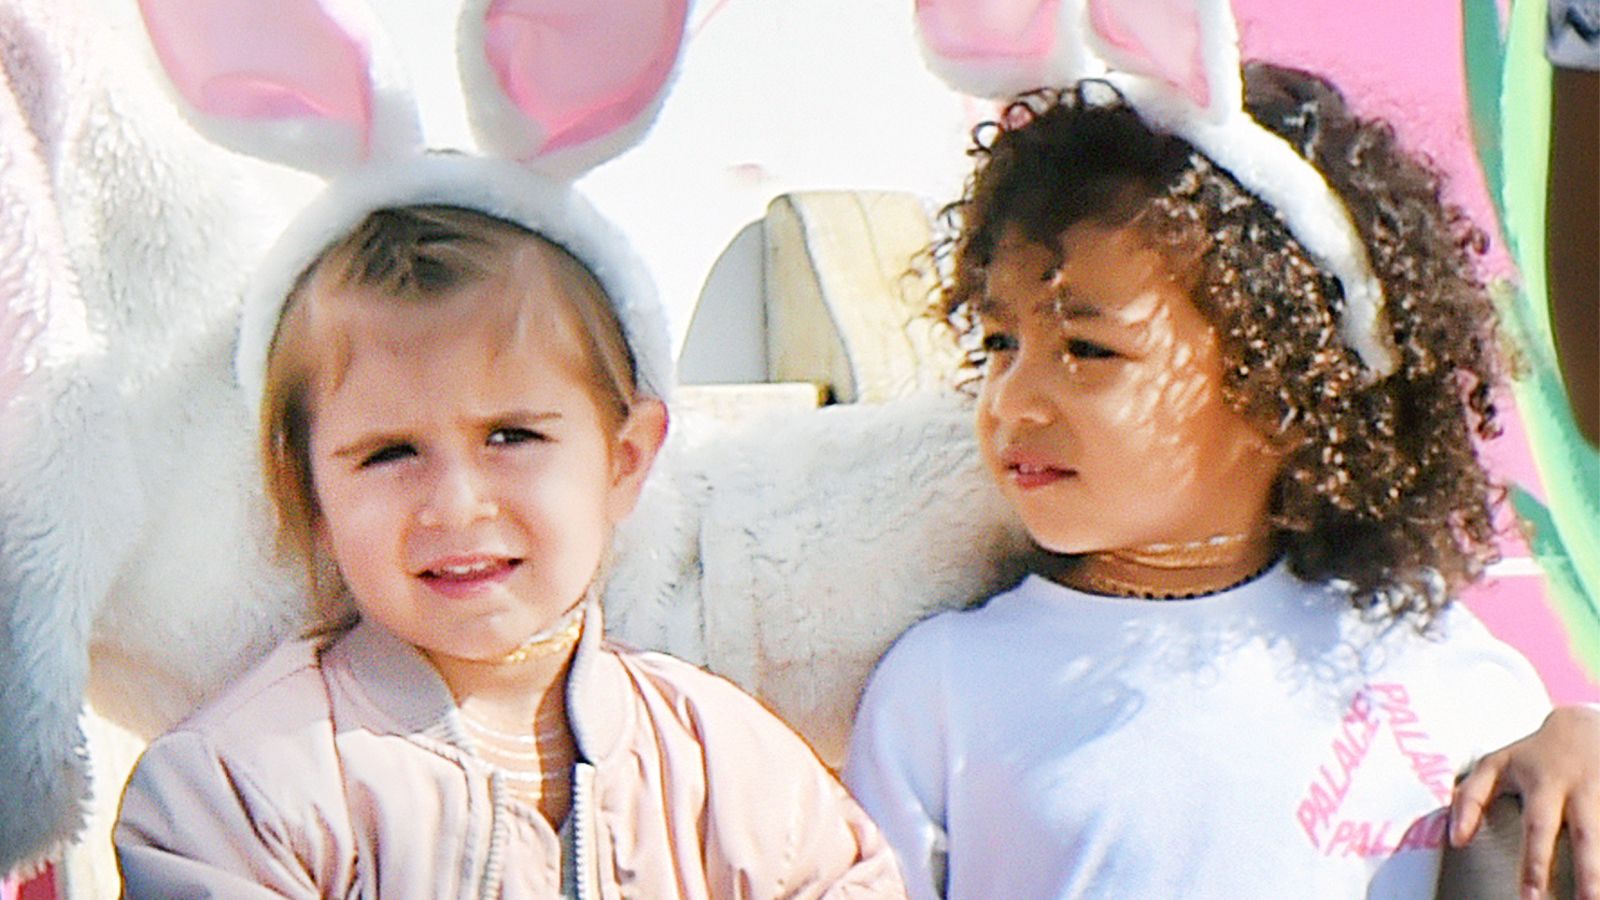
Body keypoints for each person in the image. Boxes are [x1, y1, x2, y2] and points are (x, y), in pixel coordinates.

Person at [844, 65, 1598, 899]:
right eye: (998, 344)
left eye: (1086, 350)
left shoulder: (1441, 668)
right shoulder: (940, 690)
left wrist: (1578, 745)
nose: (1012, 400)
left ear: (1278, 393)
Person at [113, 165, 907, 897]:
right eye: (390, 453)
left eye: (511, 436)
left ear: (625, 460)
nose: (456, 505)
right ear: (310, 497)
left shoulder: (724, 762)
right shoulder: (239, 791)